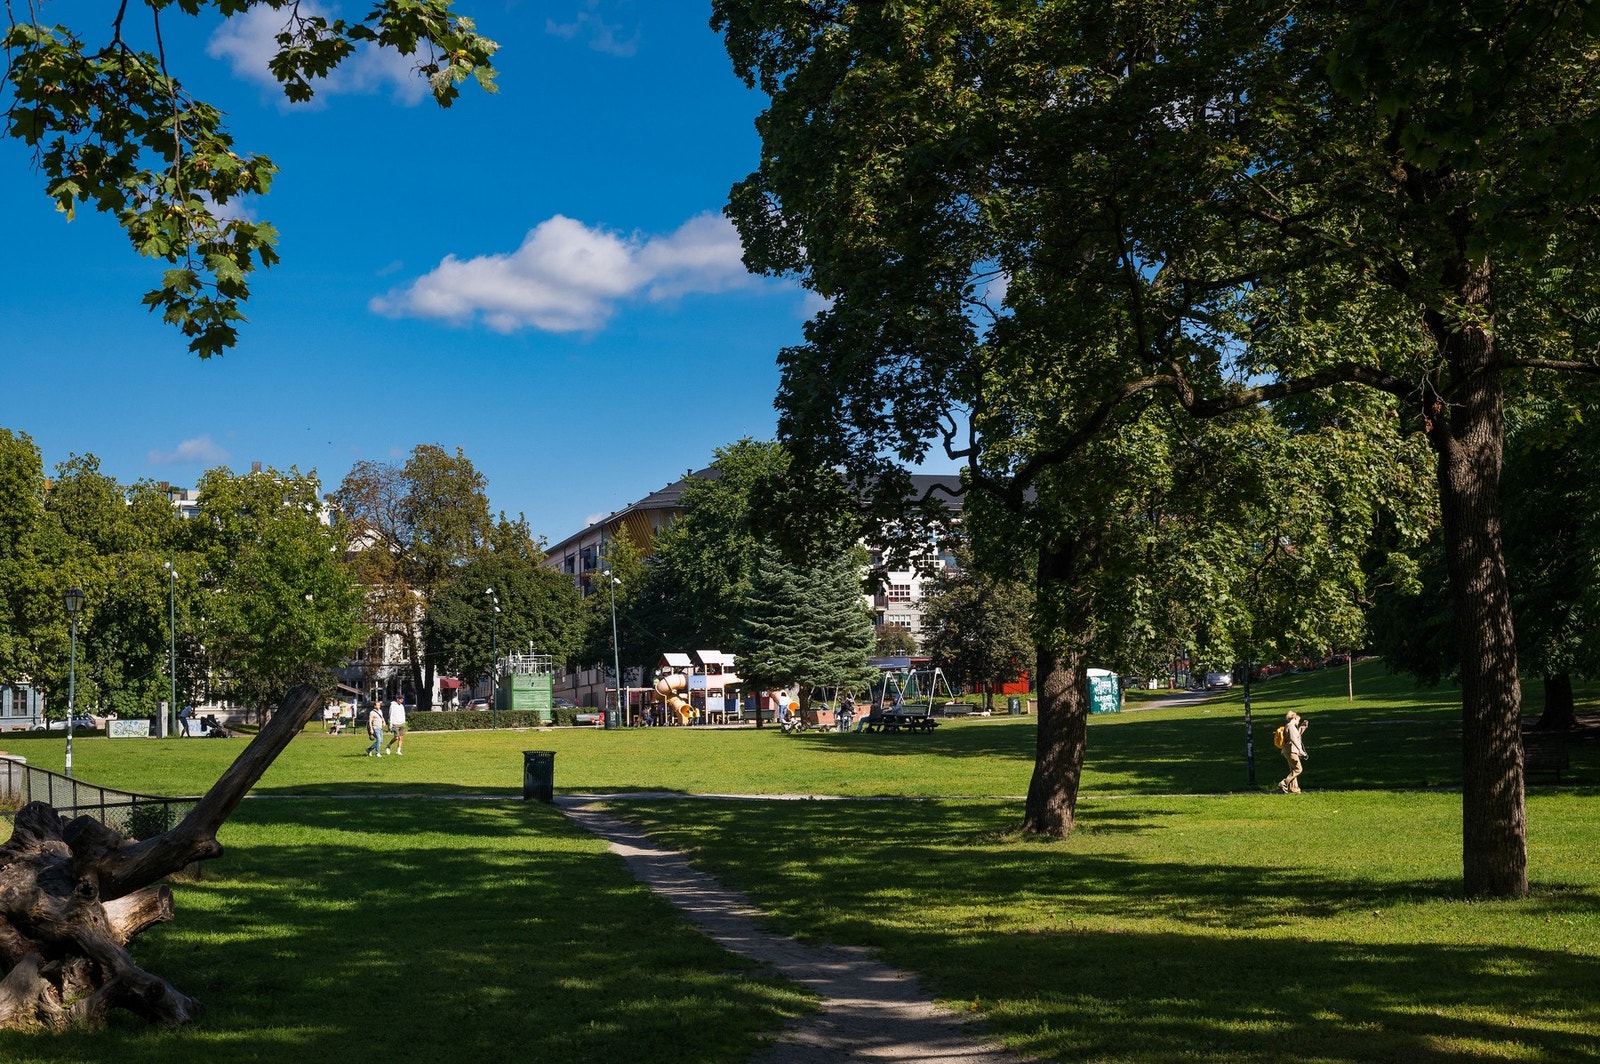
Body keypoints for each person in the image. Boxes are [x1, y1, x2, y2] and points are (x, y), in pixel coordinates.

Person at [1278, 710, 1310, 793]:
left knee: (1293, 770)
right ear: (1294, 718)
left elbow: (1297, 736)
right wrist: (1300, 750)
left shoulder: (1290, 726)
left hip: (1288, 750)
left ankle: (1294, 789)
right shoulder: (1291, 726)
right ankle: (1284, 783)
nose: (1298, 722)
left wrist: (1303, 727)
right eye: (1298, 720)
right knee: (1298, 769)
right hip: (1291, 750)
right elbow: (1293, 739)